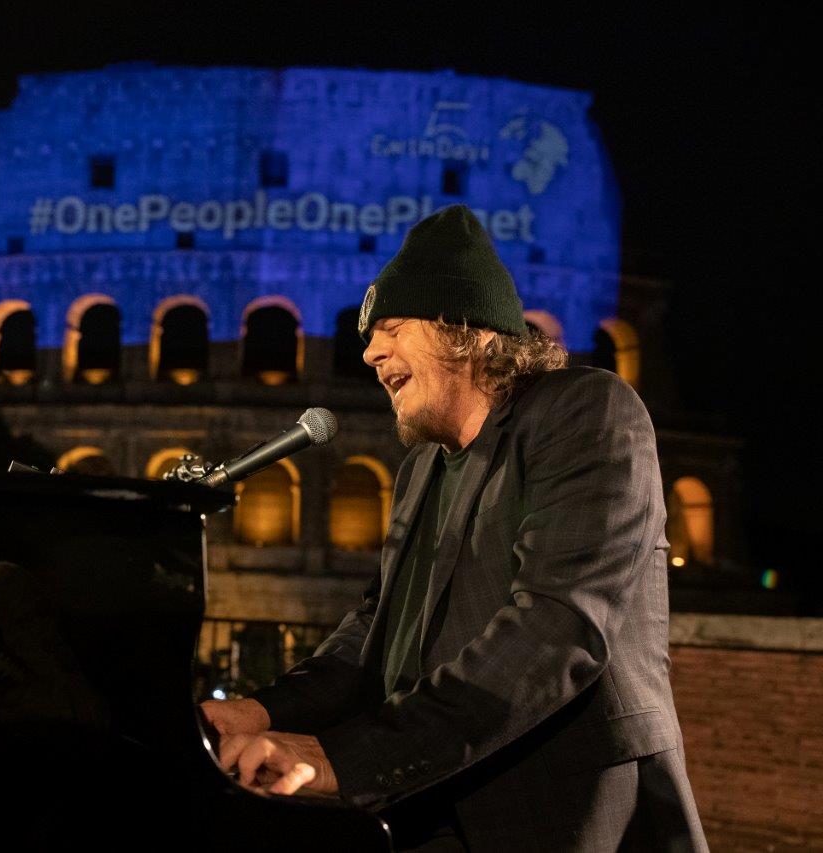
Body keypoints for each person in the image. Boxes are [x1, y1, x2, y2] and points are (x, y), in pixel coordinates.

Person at [201, 205, 707, 851]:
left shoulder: (584, 409)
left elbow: (557, 627)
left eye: (391, 327)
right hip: (432, 795)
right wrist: (257, 711)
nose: (370, 351)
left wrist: (349, 760)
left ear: (462, 327)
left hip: (562, 806)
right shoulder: (421, 469)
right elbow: (371, 637)